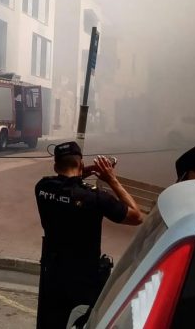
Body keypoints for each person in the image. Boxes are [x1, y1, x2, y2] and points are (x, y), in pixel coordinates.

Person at [35, 141, 143, 329]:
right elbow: (136, 216)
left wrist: (85, 170)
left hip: (52, 275)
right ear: (81, 164)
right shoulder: (96, 198)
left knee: (50, 323)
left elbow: (66, 182)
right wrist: (111, 179)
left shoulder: (43, 188)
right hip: (83, 279)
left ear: (55, 166)